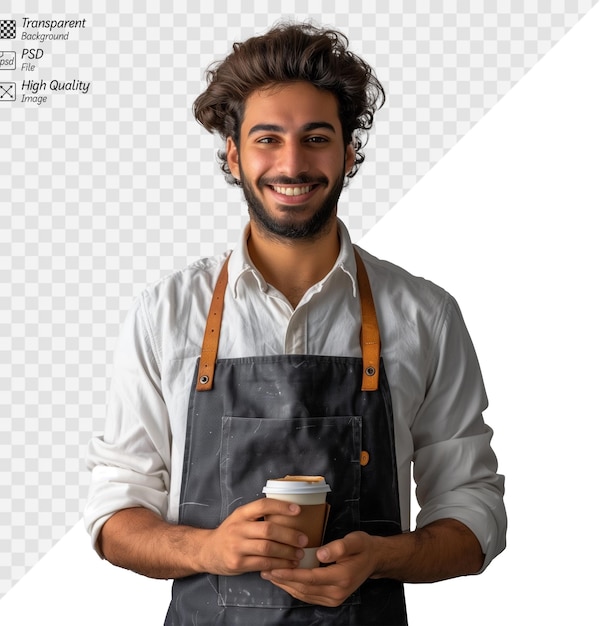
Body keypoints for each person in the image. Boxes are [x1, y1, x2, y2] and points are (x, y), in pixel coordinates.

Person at [84, 21, 506, 625]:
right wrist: (207, 549)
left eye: (315, 138)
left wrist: (384, 557)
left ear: (348, 152)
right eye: (266, 139)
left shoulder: (425, 315)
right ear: (233, 154)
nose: (292, 163)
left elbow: (476, 510)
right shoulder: (166, 314)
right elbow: (114, 512)